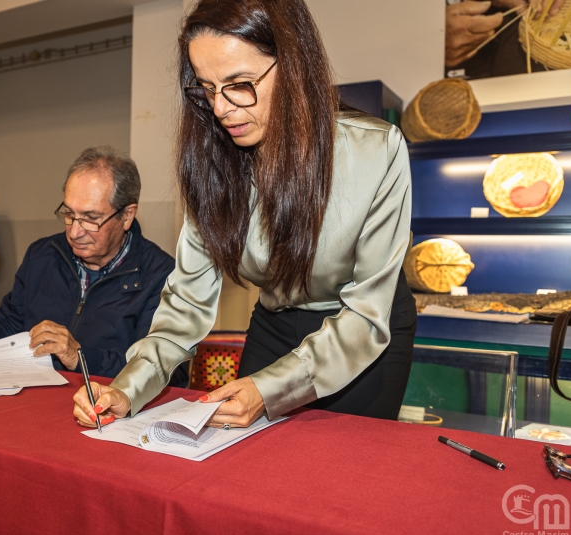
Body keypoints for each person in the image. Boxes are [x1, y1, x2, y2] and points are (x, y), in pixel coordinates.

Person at [74, 0, 418, 429]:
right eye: (206, 87)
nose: (220, 109)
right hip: (275, 321)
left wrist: (270, 388)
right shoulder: (211, 163)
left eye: (239, 83)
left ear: (292, 65)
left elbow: (368, 312)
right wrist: (128, 386)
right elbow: (185, 301)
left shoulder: (375, 151)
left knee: (342, 477)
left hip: (362, 332)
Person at [0, 146, 180, 381]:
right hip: (34, 401)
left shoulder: (161, 276)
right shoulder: (43, 255)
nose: (74, 232)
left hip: (108, 411)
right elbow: (9, 324)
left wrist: (80, 358)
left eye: (90, 218)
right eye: (69, 214)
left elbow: (165, 373)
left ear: (126, 216)